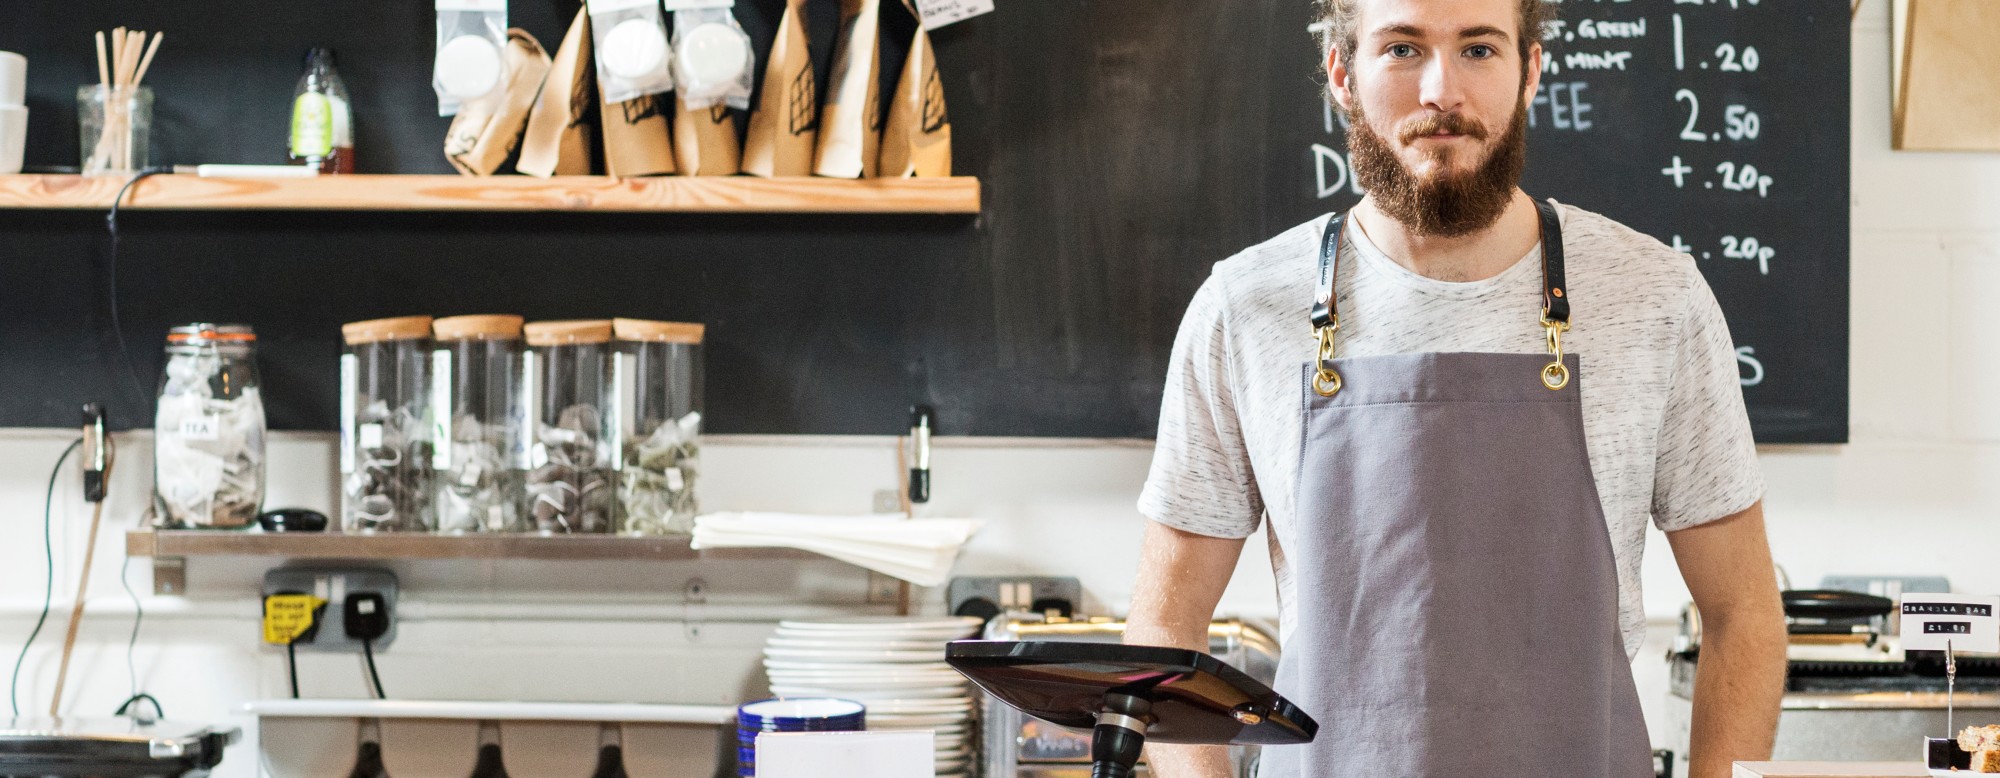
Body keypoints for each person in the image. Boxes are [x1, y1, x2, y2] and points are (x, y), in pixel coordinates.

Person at [1123, 0, 1788, 775]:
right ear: (1342, 72)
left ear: (1530, 70)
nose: (1442, 90)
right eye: (1403, 48)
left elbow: (1744, 615)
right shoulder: (1244, 309)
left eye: (1479, 49)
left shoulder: (1656, 299)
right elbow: (1168, 625)